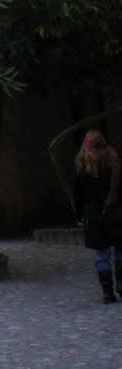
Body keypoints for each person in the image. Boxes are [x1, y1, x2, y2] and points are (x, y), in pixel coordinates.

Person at [73, 129, 122, 303]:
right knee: (119, 251)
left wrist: (80, 216)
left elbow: (77, 195)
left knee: (102, 255)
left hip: (94, 215)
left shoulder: (81, 164)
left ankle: (108, 293)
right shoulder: (113, 161)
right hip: (115, 211)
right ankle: (120, 286)